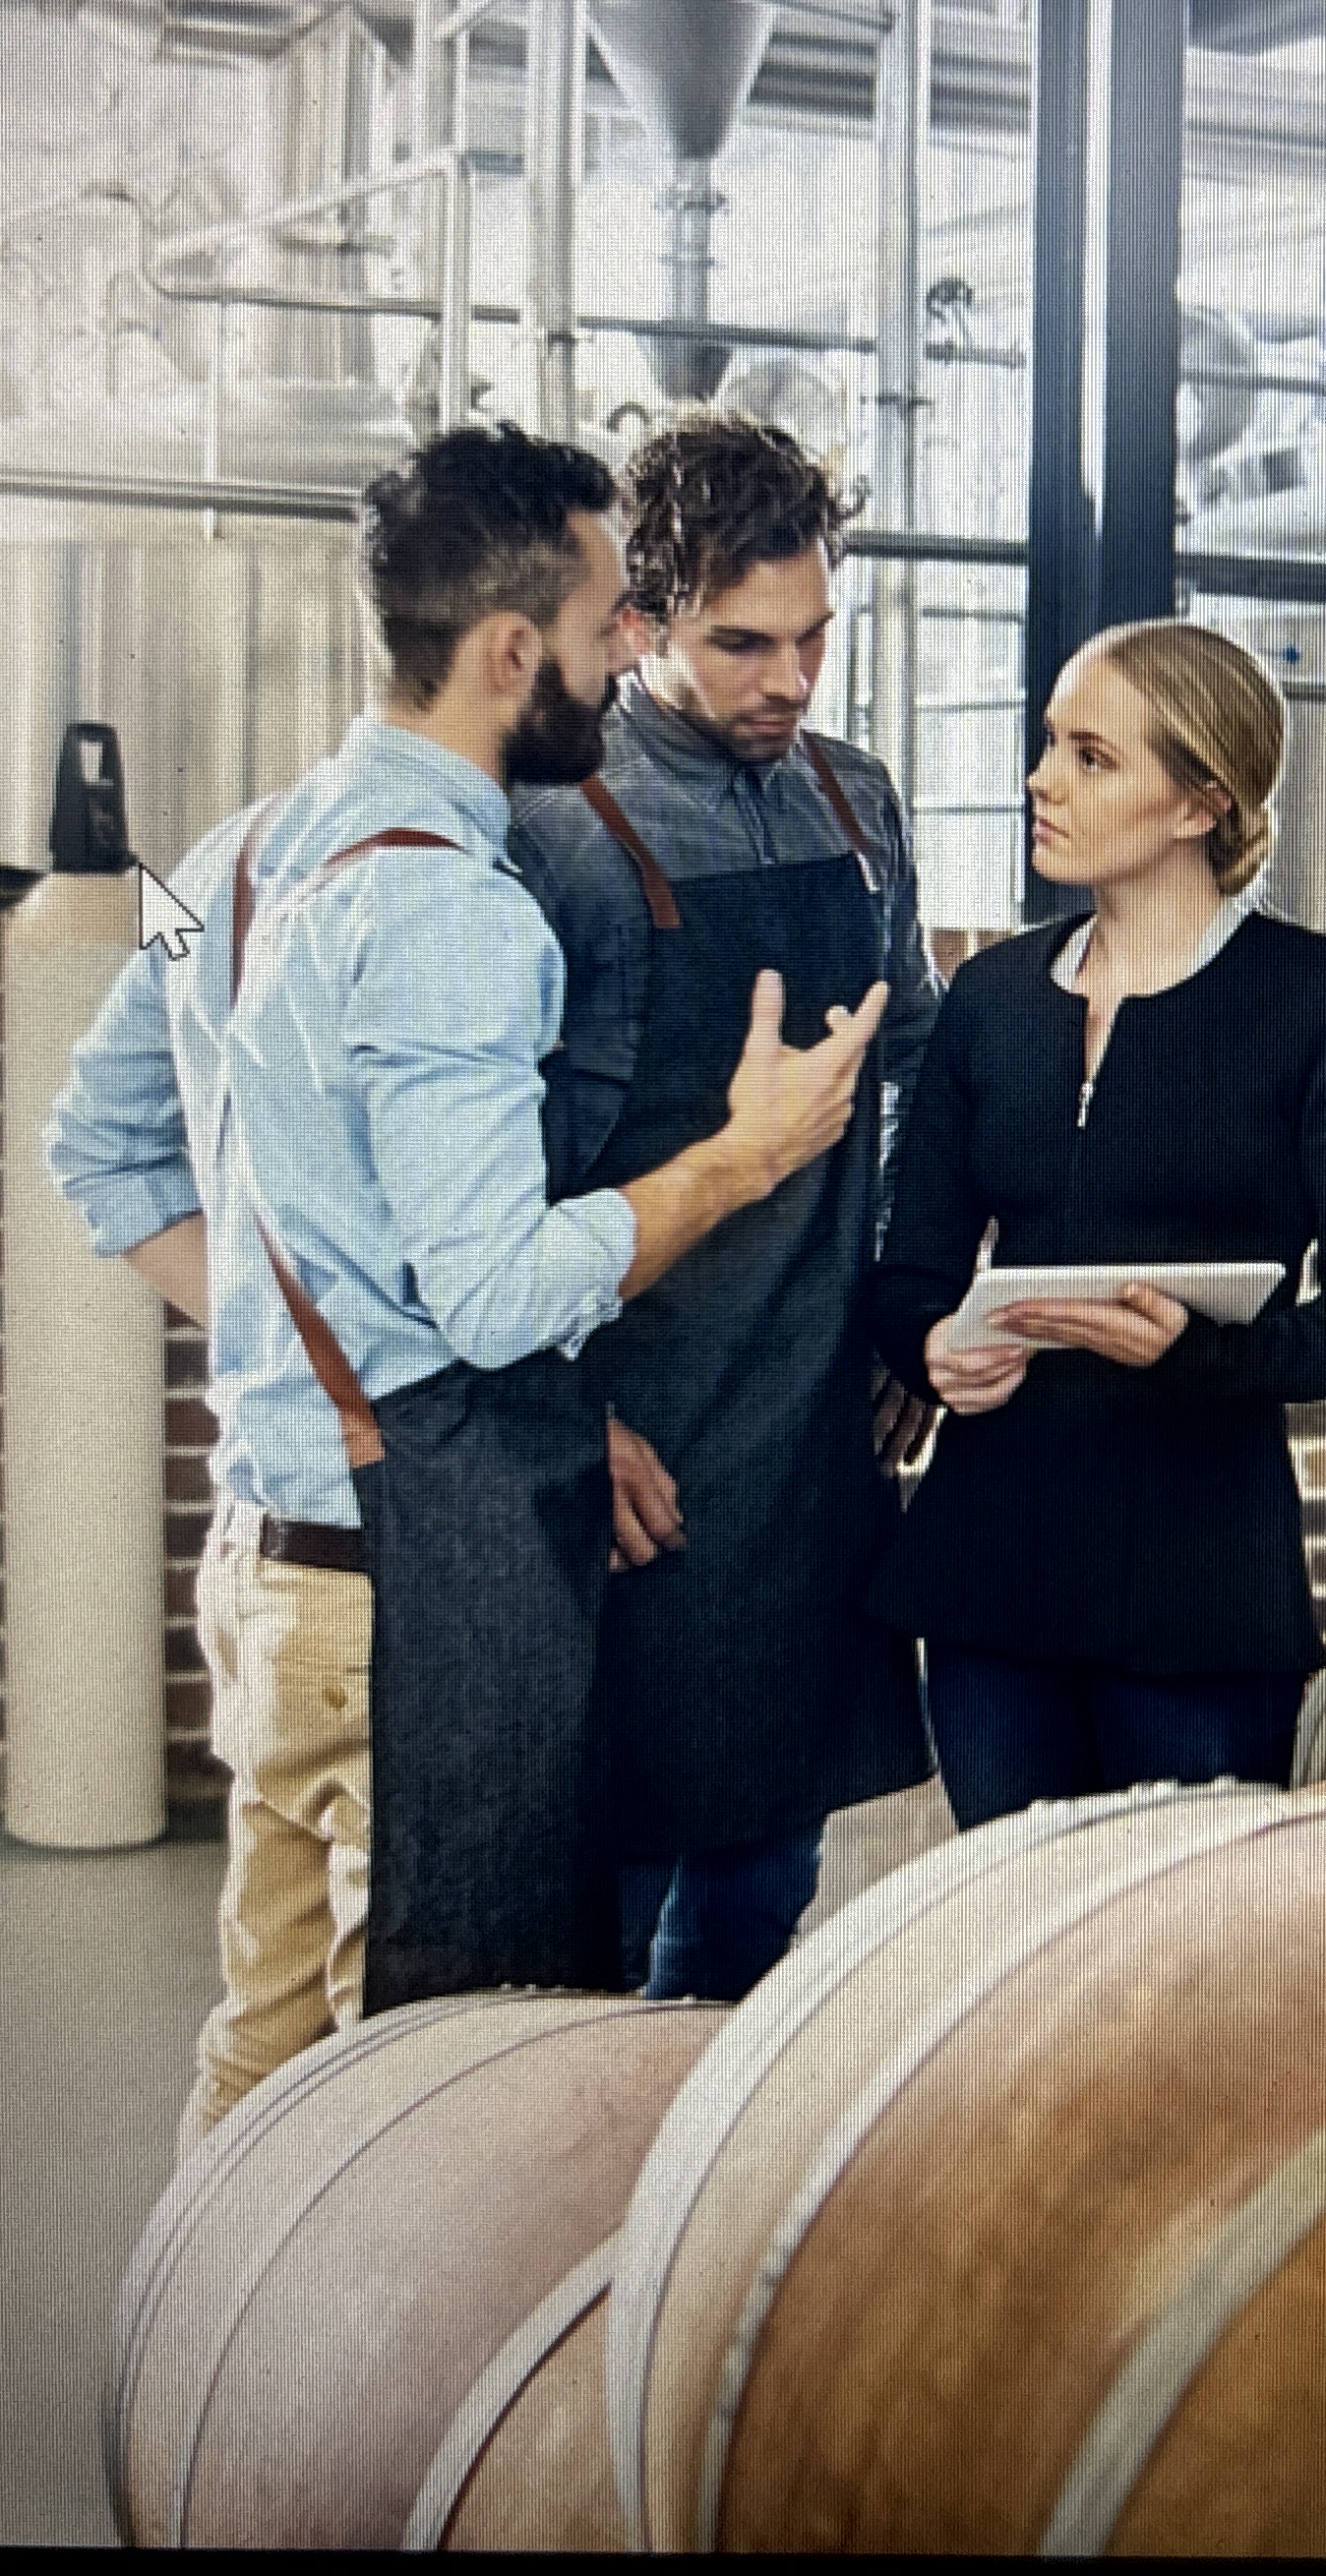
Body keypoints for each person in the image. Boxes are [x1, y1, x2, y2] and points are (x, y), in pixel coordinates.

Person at [46, 425, 883, 2152]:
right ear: (520, 652)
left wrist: (307, 1345)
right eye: (605, 626)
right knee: (439, 2106)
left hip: (270, 1559)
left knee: (267, 2047)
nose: (617, 654)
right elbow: (500, 1295)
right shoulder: (464, 909)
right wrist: (740, 1153)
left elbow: (99, 1148)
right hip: (408, 1598)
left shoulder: (222, 858)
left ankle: (207, 2397)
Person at [505, 412, 934, 2002]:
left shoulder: (860, 801)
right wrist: (566, 1411)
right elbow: (500, 1174)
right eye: (743, 643)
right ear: (641, 622)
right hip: (633, 1430)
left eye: (815, 635)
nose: (792, 679)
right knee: (591, 1895)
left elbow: (927, 1061)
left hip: (809, 1418)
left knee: (769, 1864)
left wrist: (910, 1296)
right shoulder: (554, 824)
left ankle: (693, 2171)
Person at [862, 619, 1326, 1826]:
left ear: (1198, 803)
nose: (1041, 779)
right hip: (989, 1583)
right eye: (1049, 744)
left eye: (1091, 757)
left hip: (1199, 1594)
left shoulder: (1319, 1003)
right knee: (1015, 1961)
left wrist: (1200, 1351)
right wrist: (930, 1350)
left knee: (1193, 1979)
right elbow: (910, 1270)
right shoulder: (991, 999)